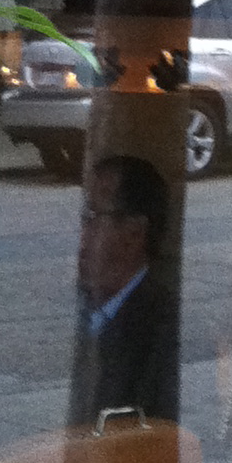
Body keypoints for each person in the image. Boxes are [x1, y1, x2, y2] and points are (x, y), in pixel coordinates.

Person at [68, 153, 181, 429]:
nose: (82, 235)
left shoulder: (159, 333)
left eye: (92, 217)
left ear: (134, 233)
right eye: (84, 218)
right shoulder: (86, 309)